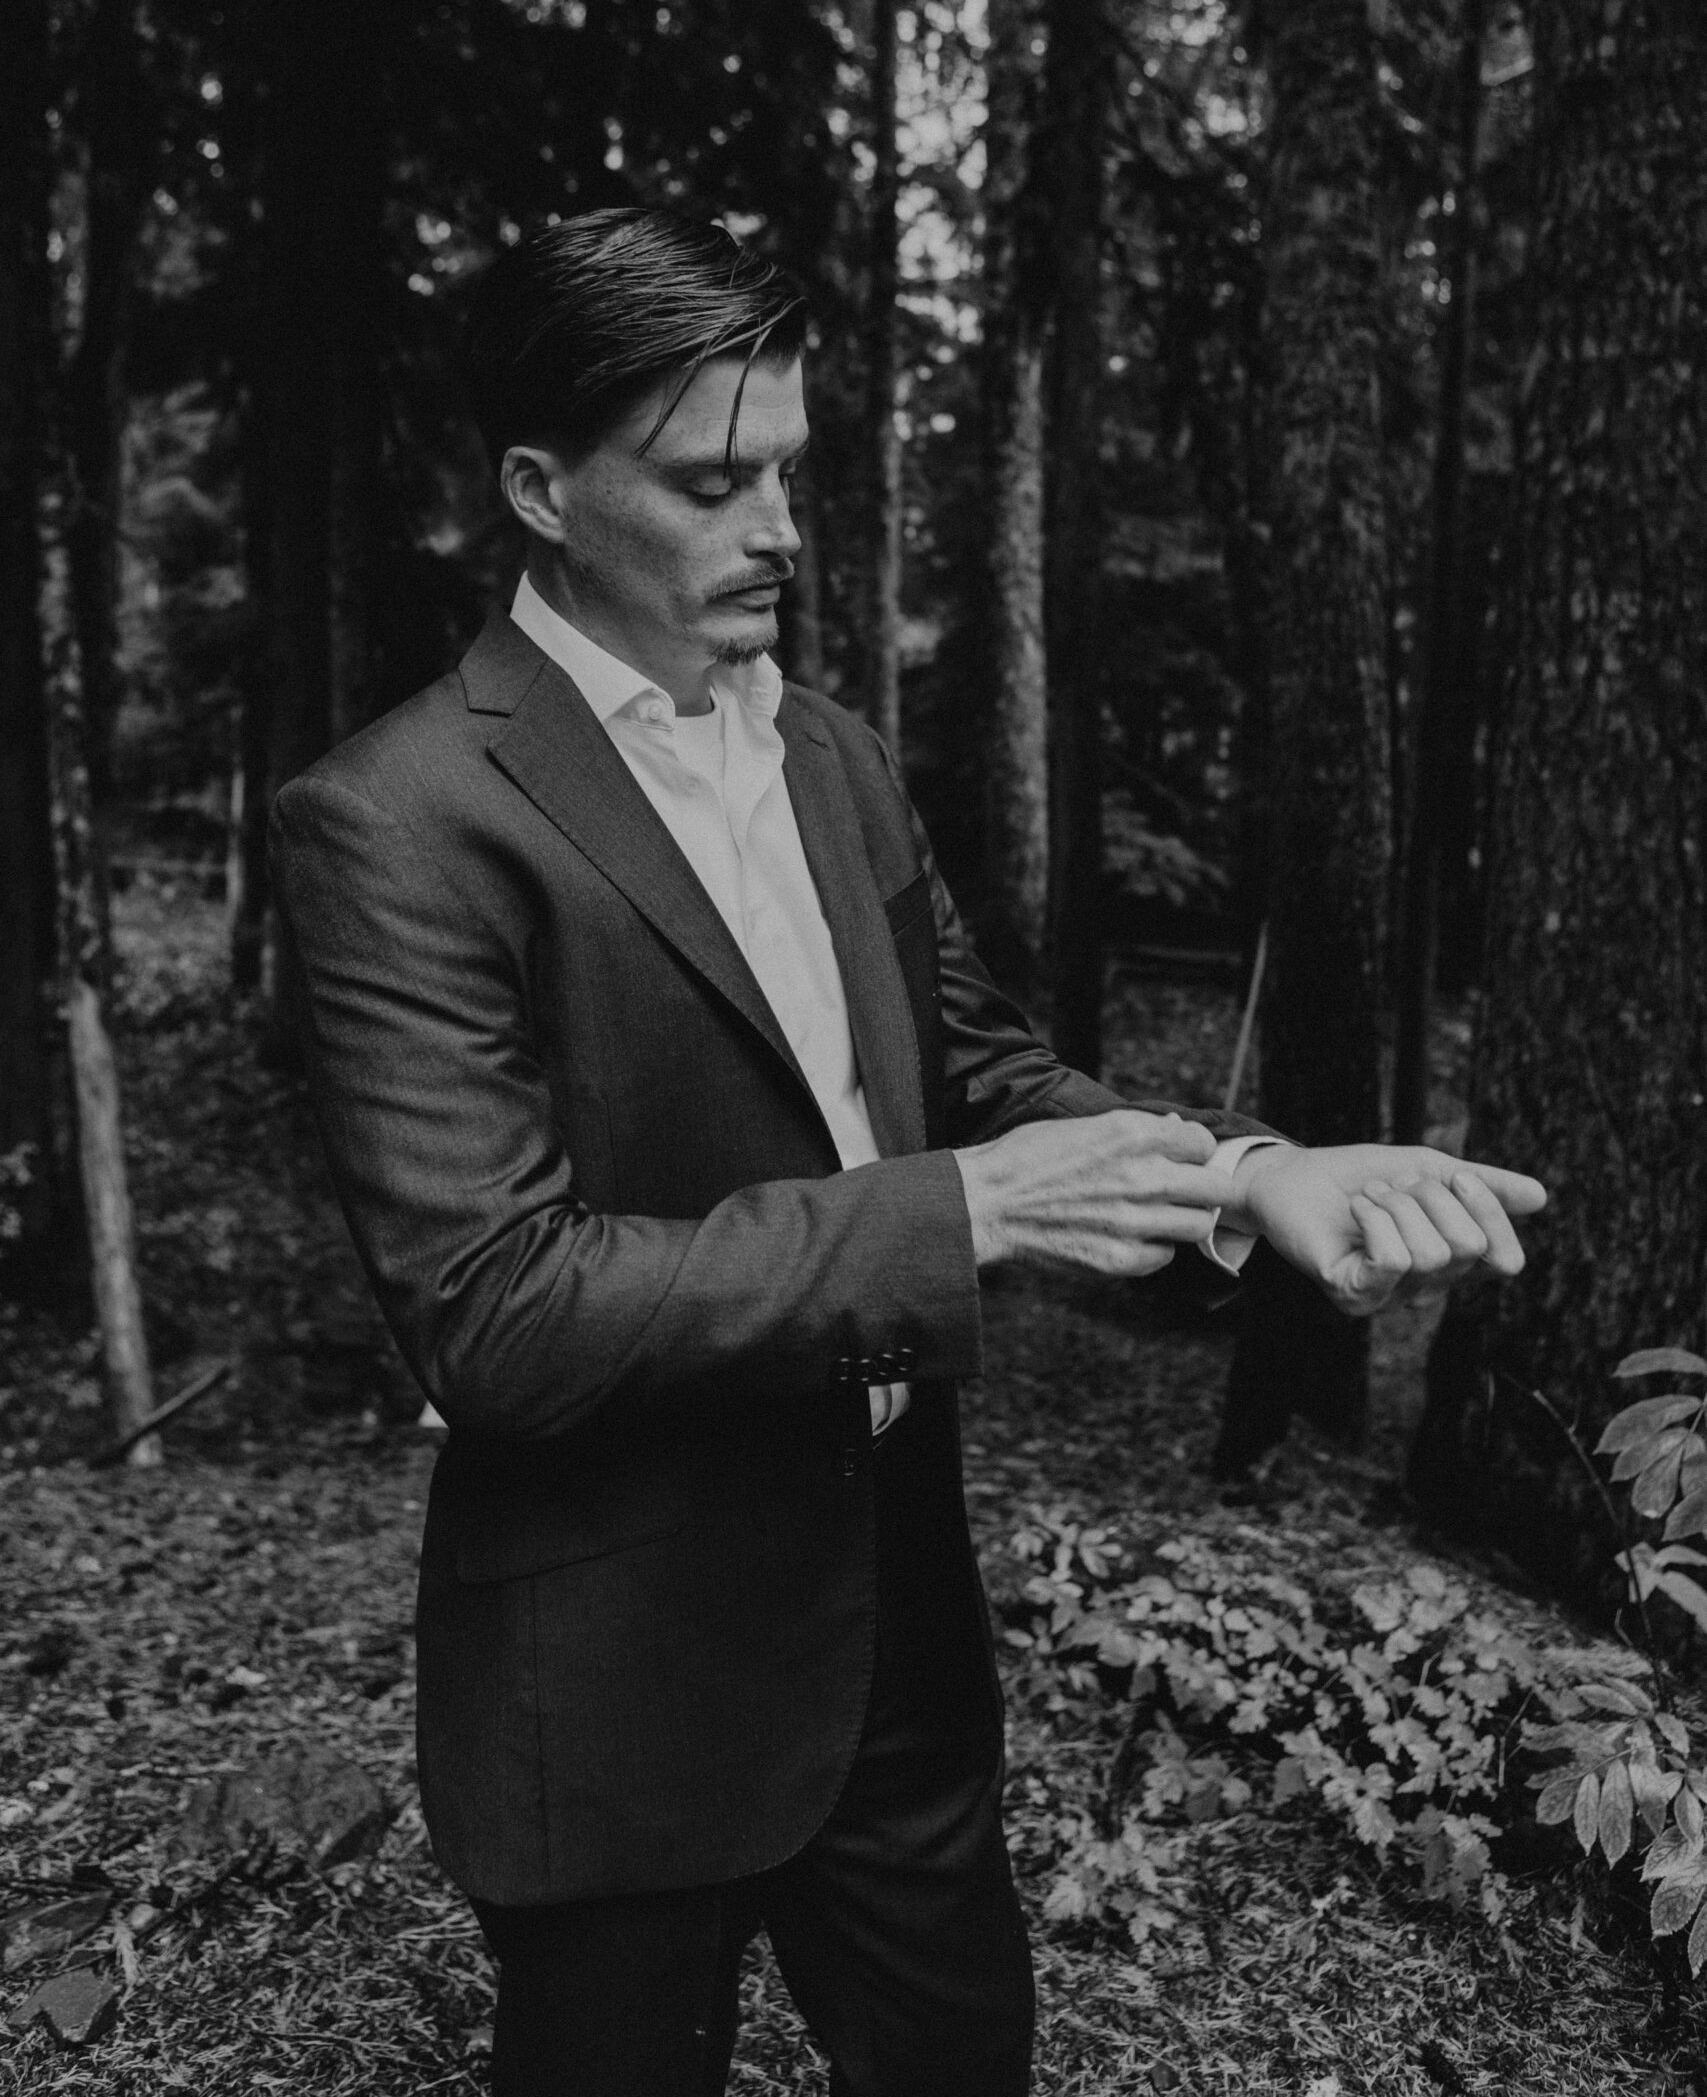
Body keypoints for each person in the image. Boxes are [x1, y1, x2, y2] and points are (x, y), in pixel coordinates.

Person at [270, 208, 1544, 2097]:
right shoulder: (396, 819)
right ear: (541, 489)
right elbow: (499, 1310)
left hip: (893, 1646)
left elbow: (980, 1070)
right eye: (714, 484)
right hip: (616, 1677)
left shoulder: (836, 761)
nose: (779, 528)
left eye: (788, 470)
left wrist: (1254, 1176)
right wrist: (956, 1215)